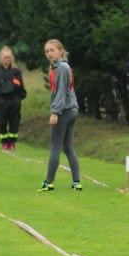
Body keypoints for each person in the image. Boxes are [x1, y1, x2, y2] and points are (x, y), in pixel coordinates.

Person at [38, 39, 81, 192]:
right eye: (47, 51)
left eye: (52, 50)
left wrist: (55, 112)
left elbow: (61, 92)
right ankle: (76, 182)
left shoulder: (62, 67)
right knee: (69, 147)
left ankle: (49, 182)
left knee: (55, 146)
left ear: (60, 51)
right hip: (71, 109)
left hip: (64, 111)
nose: (49, 53)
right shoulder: (59, 67)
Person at [0, 46, 26, 151]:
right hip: (1, 101)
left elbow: (21, 86)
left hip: (14, 100)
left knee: (14, 122)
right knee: (2, 122)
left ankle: (12, 142)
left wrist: (20, 97)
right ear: (1, 58)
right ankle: (4, 143)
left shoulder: (16, 71)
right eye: (5, 57)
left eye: (9, 57)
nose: (7, 59)